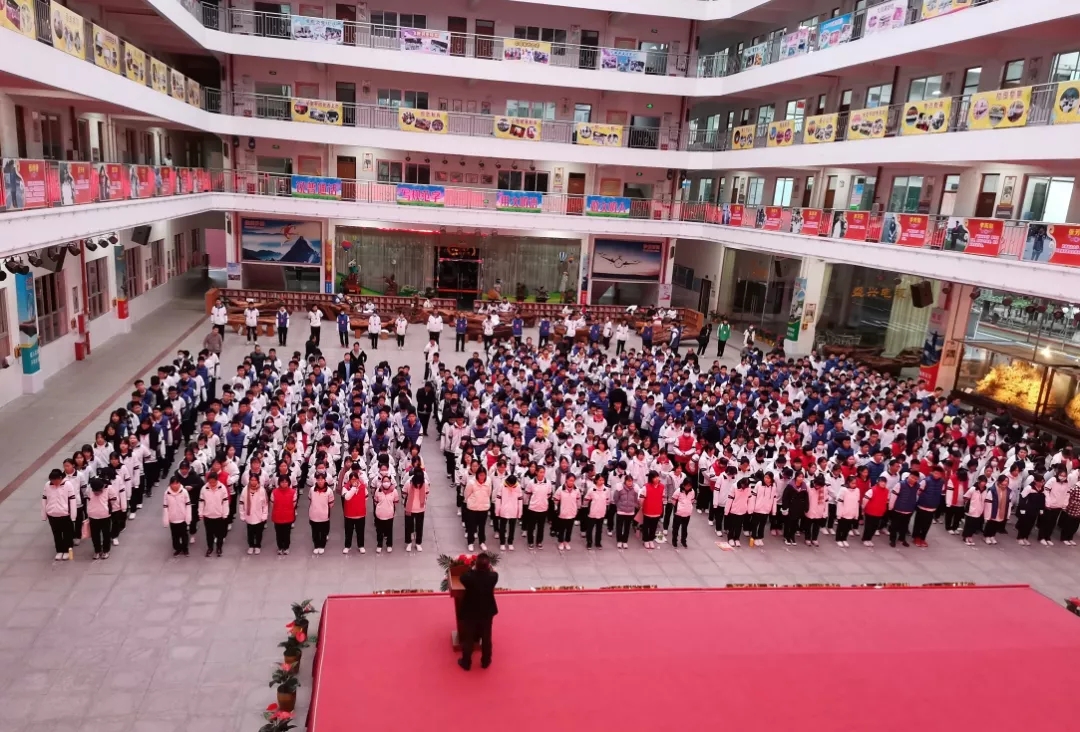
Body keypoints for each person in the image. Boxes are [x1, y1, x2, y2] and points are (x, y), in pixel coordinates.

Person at [457, 553, 499, 671]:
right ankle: (486, 661)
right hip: (487, 611)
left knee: (468, 637)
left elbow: (462, 577)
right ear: (488, 566)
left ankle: (466, 662)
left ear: (476, 565)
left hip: (470, 611)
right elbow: (494, 572)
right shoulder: (493, 577)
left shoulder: (468, 578)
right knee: (486, 637)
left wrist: (473, 569)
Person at [42, 468, 77, 561]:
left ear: (60, 478)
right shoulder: (47, 485)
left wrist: (73, 516)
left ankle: (67, 550)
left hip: (65, 514)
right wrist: (44, 514)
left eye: (56, 480)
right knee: (56, 533)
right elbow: (44, 500)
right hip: (52, 514)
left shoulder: (68, 484)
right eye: (52, 480)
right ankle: (59, 550)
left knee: (67, 533)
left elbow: (72, 500)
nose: (54, 482)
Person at [199, 472, 230, 557]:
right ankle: (210, 548)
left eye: (213, 482)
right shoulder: (204, 488)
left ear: (217, 480)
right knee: (209, 534)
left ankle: (219, 548)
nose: (212, 484)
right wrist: (200, 513)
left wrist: (225, 513)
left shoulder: (222, 488)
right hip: (208, 515)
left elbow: (225, 502)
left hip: (219, 515)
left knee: (220, 534)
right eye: (210, 482)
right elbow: (201, 502)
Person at [238, 475, 268, 554]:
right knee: (250, 532)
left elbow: (265, 504)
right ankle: (251, 546)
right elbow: (241, 503)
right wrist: (242, 514)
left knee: (259, 533)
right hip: (249, 516)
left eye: (255, 480)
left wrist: (264, 515)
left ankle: (258, 546)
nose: (253, 482)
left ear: (258, 481)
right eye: (252, 480)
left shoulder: (262, 490)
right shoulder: (245, 490)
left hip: (259, 516)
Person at [163, 475, 192, 557]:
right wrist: (166, 519)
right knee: (175, 536)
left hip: (182, 518)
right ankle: (177, 549)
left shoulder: (184, 492)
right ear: (170, 484)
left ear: (179, 483)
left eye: (177, 483)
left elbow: (188, 505)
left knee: (184, 535)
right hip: (173, 519)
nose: (175, 485)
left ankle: (185, 549)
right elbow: (165, 507)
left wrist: (188, 517)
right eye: (173, 484)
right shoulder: (167, 493)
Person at [464, 467, 492, 552]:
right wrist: (471, 502)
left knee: (482, 526)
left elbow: (489, 493)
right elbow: (467, 494)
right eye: (480, 475)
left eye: (483, 475)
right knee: (471, 526)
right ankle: (470, 542)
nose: (482, 477)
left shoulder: (488, 481)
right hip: (473, 508)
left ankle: (482, 542)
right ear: (477, 475)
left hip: (484, 507)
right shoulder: (471, 482)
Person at [341, 473, 368, 554]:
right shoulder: (345, 487)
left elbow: (366, 497)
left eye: (355, 479)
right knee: (348, 531)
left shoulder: (363, 487)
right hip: (349, 514)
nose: (354, 481)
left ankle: (361, 546)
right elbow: (347, 497)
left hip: (360, 513)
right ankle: (347, 546)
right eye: (352, 479)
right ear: (349, 480)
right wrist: (353, 488)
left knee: (360, 531)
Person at [308, 472, 335, 555]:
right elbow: (310, 500)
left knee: (323, 532)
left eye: (322, 479)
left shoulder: (329, 491)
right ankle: (316, 546)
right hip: (313, 514)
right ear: (316, 480)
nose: (320, 481)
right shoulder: (312, 490)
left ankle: (322, 546)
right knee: (315, 532)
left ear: (325, 480)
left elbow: (331, 504)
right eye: (318, 480)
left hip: (324, 516)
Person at [404, 469, 429, 552]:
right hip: (410, 508)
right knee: (408, 527)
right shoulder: (408, 483)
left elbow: (427, 493)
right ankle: (409, 543)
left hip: (420, 509)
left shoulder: (425, 483)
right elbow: (404, 493)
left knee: (419, 527)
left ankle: (418, 543)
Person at [373, 476, 399, 553]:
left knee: (389, 530)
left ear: (390, 482)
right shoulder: (378, 490)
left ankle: (389, 545)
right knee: (379, 531)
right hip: (379, 514)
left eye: (387, 481)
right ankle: (379, 545)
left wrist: (391, 510)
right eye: (384, 481)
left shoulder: (394, 491)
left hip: (389, 515)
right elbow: (375, 501)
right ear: (382, 482)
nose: (386, 483)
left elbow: (396, 502)